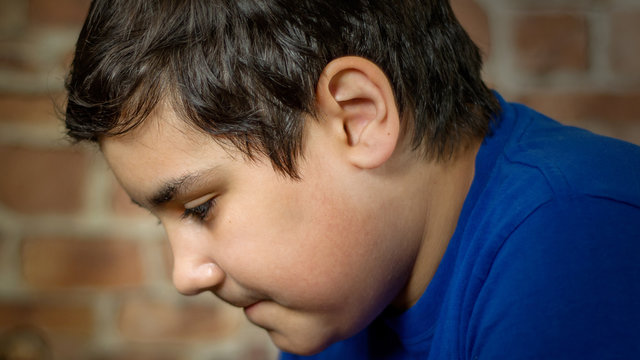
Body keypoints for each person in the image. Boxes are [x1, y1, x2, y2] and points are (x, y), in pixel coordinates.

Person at [64, 0, 640, 358]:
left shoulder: (578, 232)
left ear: (357, 119)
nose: (185, 275)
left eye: (199, 207)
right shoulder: (339, 297)